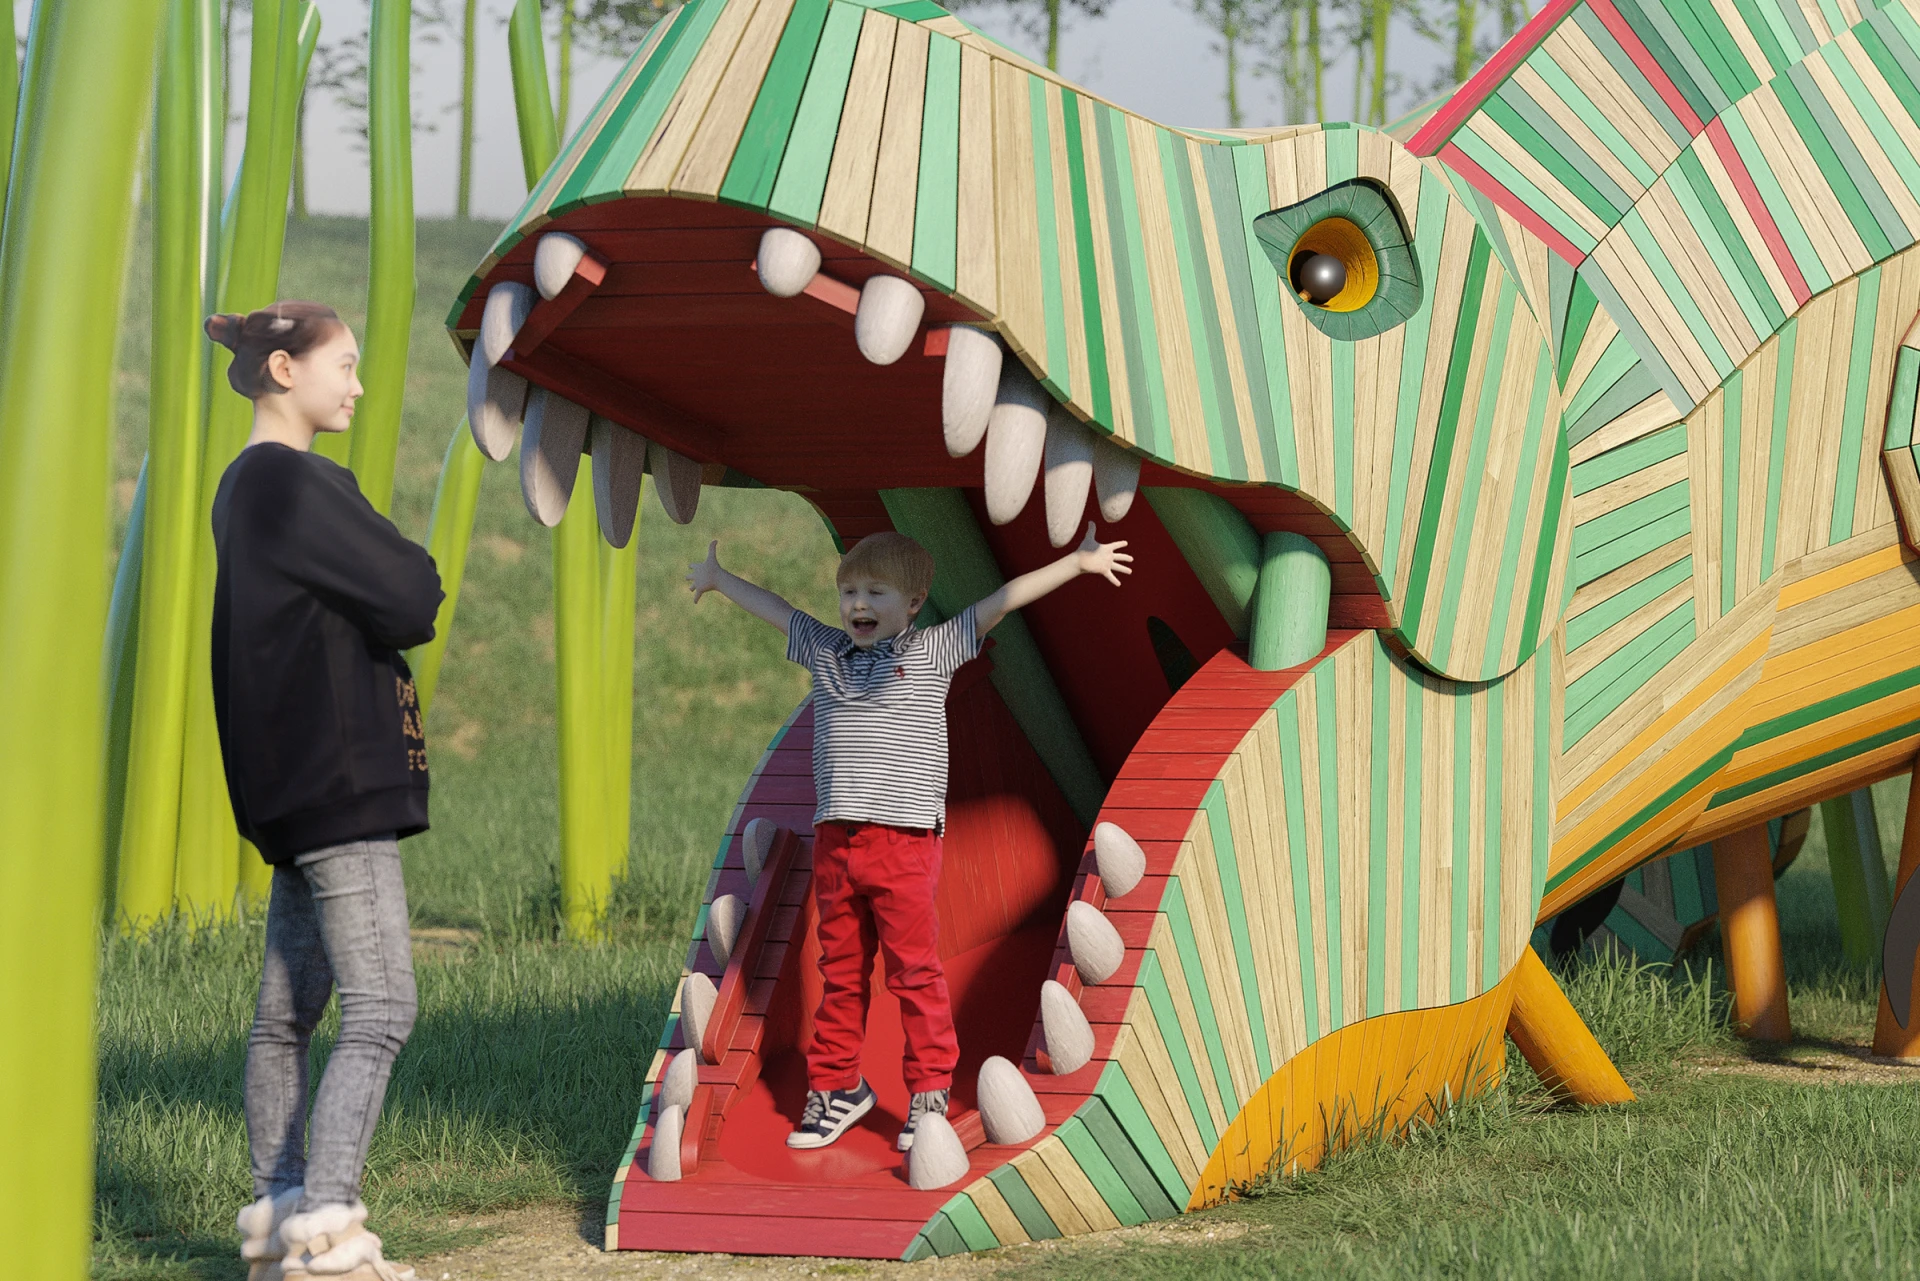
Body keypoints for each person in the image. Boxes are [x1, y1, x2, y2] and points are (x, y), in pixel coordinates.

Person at [686, 521, 1132, 1152]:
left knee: (913, 973)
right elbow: (779, 610)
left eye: (876, 593)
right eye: (848, 593)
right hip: (836, 842)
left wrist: (1077, 563)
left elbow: (1000, 602)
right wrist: (719, 578)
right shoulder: (827, 652)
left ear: (914, 603)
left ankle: (928, 1096)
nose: (857, 606)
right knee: (840, 972)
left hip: (903, 842)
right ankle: (837, 1088)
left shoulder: (934, 651)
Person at [207, 302, 442, 1281]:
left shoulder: (239, 488)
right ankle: (330, 1231)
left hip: (284, 786)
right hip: (339, 781)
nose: (354, 384)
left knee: (285, 1018)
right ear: (281, 369)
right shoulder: (296, 482)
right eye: (341, 365)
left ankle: (277, 1214)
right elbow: (412, 592)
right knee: (383, 1006)